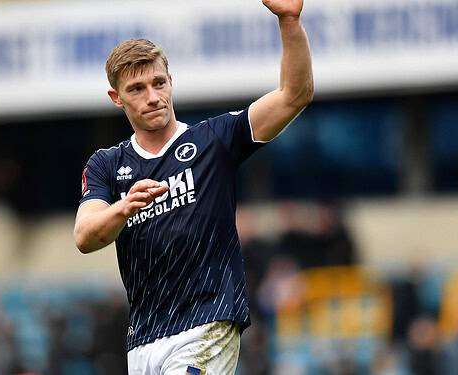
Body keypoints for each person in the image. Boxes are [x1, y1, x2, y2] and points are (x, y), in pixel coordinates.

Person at [73, 0, 313, 373]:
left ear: (171, 81)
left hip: (208, 322)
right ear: (116, 98)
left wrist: (289, 21)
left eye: (159, 83)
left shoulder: (213, 140)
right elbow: (85, 236)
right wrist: (123, 207)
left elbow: (293, 96)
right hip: (145, 338)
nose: (153, 97)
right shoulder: (106, 164)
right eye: (137, 89)